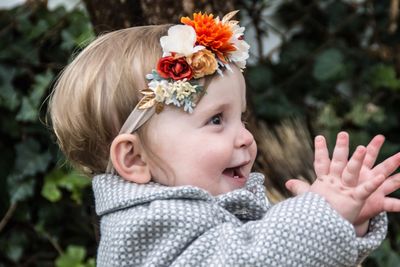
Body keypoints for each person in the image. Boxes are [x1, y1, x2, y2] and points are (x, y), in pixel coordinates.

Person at [48, 11, 400, 267]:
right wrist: (316, 218)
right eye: (217, 119)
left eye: (242, 118)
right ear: (134, 159)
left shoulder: (196, 211)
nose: (246, 137)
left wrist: (343, 224)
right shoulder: (147, 227)